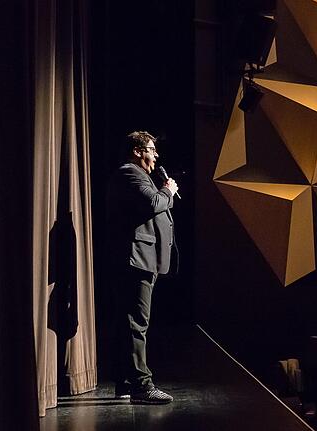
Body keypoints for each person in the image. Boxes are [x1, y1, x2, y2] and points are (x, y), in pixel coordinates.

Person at [106, 131, 178, 404]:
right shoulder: (131, 174)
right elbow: (154, 203)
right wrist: (168, 191)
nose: (156, 155)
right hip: (135, 260)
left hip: (138, 260)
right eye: (151, 149)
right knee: (137, 323)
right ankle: (142, 386)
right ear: (137, 151)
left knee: (129, 322)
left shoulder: (137, 176)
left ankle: (125, 382)